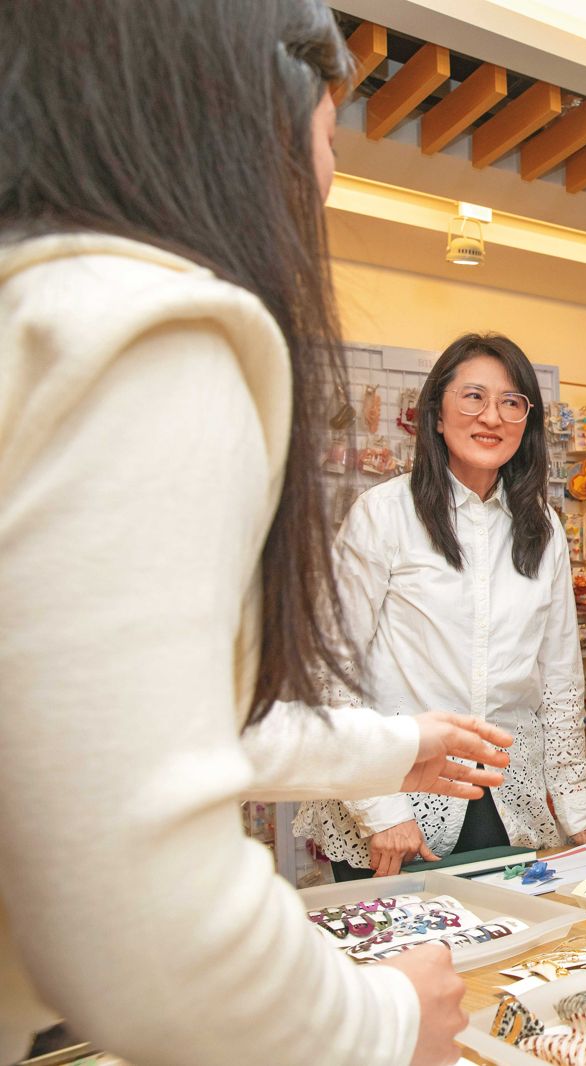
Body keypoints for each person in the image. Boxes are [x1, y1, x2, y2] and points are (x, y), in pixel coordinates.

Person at [0, 3, 512, 1063]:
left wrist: (400, 743)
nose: (324, 185)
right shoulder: (146, 332)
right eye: (328, 140)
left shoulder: (41, 302)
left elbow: (139, 722)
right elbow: (141, 908)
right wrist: (382, 1018)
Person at [297, 334, 586, 878]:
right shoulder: (384, 513)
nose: (492, 417)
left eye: (511, 402)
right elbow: (332, 668)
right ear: (437, 414)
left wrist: (578, 812)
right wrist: (381, 809)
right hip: (396, 805)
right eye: (473, 397)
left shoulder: (544, 528)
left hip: (506, 799)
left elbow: (560, 680)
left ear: (527, 421)